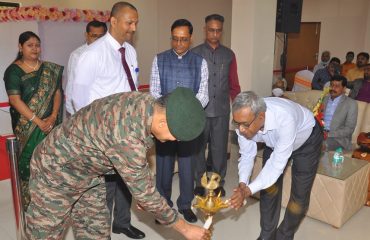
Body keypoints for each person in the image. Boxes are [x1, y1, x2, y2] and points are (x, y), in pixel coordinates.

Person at [25, 87, 211, 240]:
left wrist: (142, 193)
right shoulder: (127, 137)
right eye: (175, 137)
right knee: (45, 234)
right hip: (54, 172)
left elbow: (138, 177)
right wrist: (185, 229)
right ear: (163, 123)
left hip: (88, 171)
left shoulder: (148, 104)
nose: (174, 141)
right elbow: (145, 191)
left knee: (95, 231)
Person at [70, 2, 143, 238]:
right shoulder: (92, 55)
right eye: (129, 22)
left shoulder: (130, 51)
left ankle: (122, 222)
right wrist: (93, 137)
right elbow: (78, 100)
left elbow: (130, 90)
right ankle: (101, 232)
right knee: (104, 187)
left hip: (127, 131)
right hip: (102, 134)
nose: (133, 27)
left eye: (136, 22)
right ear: (113, 21)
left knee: (126, 179)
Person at [229, 91, 323, 240]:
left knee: (299, 196)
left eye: (245, 125)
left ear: (261, 117)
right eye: (237, 123)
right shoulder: (245, 121)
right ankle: (267, 234)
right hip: (274, 143)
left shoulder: (285, 118)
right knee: (269, 190)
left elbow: (276, 165)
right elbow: (247, 155)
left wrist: (248, 191)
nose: (240, 129)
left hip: (307, 142)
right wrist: (242, 183)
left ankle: (284, 235)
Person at [150, 19, 209, 223]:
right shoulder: (159, 59)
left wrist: (186, 114)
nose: (179, 44)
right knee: (164, 165)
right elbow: (154, 91)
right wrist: (168, 115)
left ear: (191, 39)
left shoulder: (200, 62)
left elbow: (203, 94)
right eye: (175, 39)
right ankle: (163, 205)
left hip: (189, 124)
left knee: (186, 166)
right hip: (164, 123)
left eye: (183, 39)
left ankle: (185, 204)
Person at [3, 31, 63, 208]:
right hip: (27, 126)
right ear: (20, 47)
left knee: (52, 161)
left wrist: (52, 116)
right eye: (30, 45)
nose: (35, 48)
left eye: (37, 45)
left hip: (51, 124)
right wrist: (39, 121)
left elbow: (57, 92)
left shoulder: (50, 69)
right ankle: (31, 203)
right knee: (28, 163)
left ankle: (52, 199)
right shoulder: (13, 71)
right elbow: (15, 100)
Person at [191, 14, 240, 198]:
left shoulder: (229, 55)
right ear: (205, 30)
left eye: (218, 30)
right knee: (197, 150)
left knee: (219, 151)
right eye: (211, 30)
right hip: (199, 111)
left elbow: (234, 84)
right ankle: (200, 183)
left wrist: (237, 107)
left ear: (222, 30)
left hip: (221, 111)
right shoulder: (194, 53)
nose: (215, 34)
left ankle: (217, 183)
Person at [65, 20, 107, 116]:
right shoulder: (77, 55)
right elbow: (72, 84)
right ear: (86, 35)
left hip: (105, 108)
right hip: (84, 110)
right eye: (94, 36)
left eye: (101, 37)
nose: (97, 40)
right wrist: (72, 113)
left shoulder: (110, 54)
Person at [323, 75, 357, 151]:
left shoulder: (351, 104)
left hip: (338, 139)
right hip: (320, 134)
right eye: (331, 85)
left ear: (344, 89)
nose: (333, 88)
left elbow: (349, 129)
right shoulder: (324, 99)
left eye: (337, 86)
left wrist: (328, 134)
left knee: (320, 144)